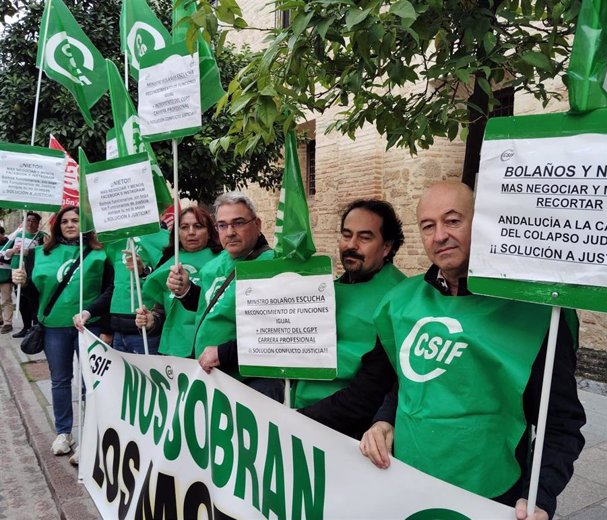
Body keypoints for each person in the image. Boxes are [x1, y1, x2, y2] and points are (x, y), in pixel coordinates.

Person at [303, 182, 585, 520]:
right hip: (402, 482)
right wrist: (383, 421)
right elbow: (400, 382)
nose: (439, 236)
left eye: (453, 221)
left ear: (480, 223)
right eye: (428, 225)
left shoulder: (535, 315)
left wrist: (539, 495)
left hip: (488, 495)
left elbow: (560, 421)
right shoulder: (400, 303)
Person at [291, 199, 406, 436]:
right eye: (346, 235)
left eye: (364, 238)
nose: (351, 245)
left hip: (342, 432)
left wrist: (295, 421)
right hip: (296, 410)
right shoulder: (324, 290)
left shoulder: (400, 299)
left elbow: (370, 393)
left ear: (386, 247)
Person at [12, 207, 113, 457]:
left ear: (85, 224)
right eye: (65, 221)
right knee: (59, 380)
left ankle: (90, 435)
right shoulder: (39, 254)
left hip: (89, 327)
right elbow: (34, 296)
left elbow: (109, 291)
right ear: (57, 226)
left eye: (76, 220)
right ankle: (64, 432)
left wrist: (98, 319)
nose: (70, 224)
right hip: (54, 328)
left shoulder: (100, 254)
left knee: (90, 382)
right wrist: (23, 284)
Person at [169, 192, 283, 401]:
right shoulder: (216, 263)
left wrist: (223, 353)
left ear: (257, 224)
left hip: (250, 383)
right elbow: (211, 306)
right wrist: (186, 290)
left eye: (238, 223)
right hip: (211, 377)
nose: (230, 232)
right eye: (222, 225)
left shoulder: (272, 266)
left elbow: (278, 334)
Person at [135, 206, 222, 357]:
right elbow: (161, 311)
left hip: (210, 350)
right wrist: (151, 321)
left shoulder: (223, 261)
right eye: (184, 227)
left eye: (198, 226)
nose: (191, 232)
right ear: (177, 234)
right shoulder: (168, 263)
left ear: (209, 232)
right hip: (173, 351)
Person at [103, 228, 169, 354]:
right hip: (118, 328)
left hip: (146, 328)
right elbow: (112, 287)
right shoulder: (115, 237)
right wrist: (106, 328)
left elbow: (165, 280)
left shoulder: (165, 238)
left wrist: (144, 270)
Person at [4, 212, 48, 338]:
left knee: (33, 301)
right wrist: (13, 251)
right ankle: (26, 327)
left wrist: (31, 252)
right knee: (21, 301)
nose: (30, 223)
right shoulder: (18, 235)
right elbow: (5, 252)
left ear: (38, 223)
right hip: (16, 272)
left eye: (34, 221)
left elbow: (46, 251)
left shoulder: (42, 236)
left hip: (32, 273)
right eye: (28, 220)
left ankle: (36, 328)